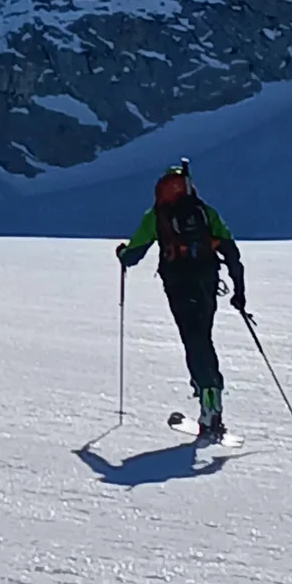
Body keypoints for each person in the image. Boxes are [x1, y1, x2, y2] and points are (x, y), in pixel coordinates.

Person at [117, 160, 246, 441]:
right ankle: (212, 402)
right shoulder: (204, 212)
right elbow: (231, 251)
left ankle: (208, 404)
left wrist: (122, 253)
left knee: (193, 339)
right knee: (203, 337)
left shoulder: (157, 215)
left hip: (178, 284)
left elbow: (134, 253)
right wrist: (240, 292)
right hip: (207, 282)